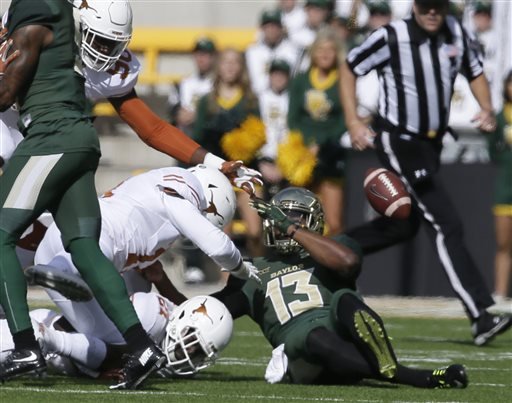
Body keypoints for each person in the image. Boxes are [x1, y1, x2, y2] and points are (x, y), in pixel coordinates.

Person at [0, 0, 164, 388]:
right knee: (84, 248)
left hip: (50, 135)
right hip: (79, 137)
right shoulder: (62, 11)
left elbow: (6, 92)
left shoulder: (37, 7)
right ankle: (142, 348)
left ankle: (25, 345)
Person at [339, 0, 512, 345]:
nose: (432, 12)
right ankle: (480, 314)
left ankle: (329, 253)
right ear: (415, 6)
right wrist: (353, 122)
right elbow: (349, 67)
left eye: (438, 5)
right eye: (426, 5)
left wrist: (487, 108)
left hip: (431, 145)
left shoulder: (456, 32)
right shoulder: (392, 35)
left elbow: (474, 69)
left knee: (403, 226)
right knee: (447, 223)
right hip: (399, 140)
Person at [212, 187, 468, 388]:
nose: (284, 224)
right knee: (312, 336)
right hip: (302, 358)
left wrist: (293, 230)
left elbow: (347, 262)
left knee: (345, 298)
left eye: (297, 217)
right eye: (282, 217)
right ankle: (409, 375)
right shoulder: (252, 269)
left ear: (312, 222)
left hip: (344, 345)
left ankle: (385, 363)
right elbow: (212, 311)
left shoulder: (333, 249)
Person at [0, 1, 262, 195]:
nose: (105, 52)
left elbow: (152, 128)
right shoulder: (42, 25)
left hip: (41, 132)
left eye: (111, 44)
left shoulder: (111, 68)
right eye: (99, 40)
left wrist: (216, 162)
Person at [33, 164, 259, 343]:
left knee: (133, 289)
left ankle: (43, 325)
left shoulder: (153, 183)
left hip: (61, 239)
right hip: (93, 246)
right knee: (119, 342)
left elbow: (146, 275)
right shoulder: (181, 195)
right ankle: (51, 340)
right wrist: (242, 269)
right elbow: (219, 247)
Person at [0, 293, 233, 380]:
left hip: (56, 346)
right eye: (193, 344)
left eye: (199, 352)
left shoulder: (168, 315)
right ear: (185, 321)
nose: (189, 353)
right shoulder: (149, 315)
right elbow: (72, 326)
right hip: (44, 333)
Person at [193, 48, 265, 257]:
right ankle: (229, 284)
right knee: (223, 236)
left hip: (246, 171)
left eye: (235, 62)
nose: (230, 66)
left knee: (255, 230)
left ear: (242, 67)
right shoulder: (207, 101)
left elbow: (259, 134)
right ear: (218, 66)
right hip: (217, 174)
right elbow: (198, 140)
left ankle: (260, 274)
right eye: (226, 62)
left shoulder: (251, 100)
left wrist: (241, 143)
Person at [288, 27, 346, 235]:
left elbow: (344, 119)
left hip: (332, 155)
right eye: (321, 49)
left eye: (330, 49)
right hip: (303, 155)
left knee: (334, 223)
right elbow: (292, 118)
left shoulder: (343, 80)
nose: (325, 54)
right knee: (301, 220)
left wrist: (321, 143)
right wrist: (307, 143)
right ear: (313, 52)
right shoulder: (301, 80)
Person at [487, 71, 512, 301]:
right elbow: (493, 151)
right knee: (504, 245)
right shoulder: (500, 117)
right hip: (506, 189)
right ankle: (500, 293)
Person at [168, 37, 217, 135]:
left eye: (205, 54)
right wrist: (179, 114)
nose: (201, 59)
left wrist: (199, 115)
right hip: (186, 138)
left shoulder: (218, 84)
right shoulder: (182, 84)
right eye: (198, 54)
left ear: (213, 57)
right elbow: (172, 106)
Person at [257, 59, 291, 198]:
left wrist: (286, 167)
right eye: (275, 74)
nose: (278, 78)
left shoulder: (294, 99)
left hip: (288, 163)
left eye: (282, 75)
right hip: (263, 161)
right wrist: (260, 162)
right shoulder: (258, 99)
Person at [245, 9, 300, 95]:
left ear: (282, 28)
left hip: (286, 98)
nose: (271, 29)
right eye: (267, 26)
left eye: (275, 26)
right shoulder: (251, 52)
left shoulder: (294, 51)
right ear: (261, 28)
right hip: (257, 99)